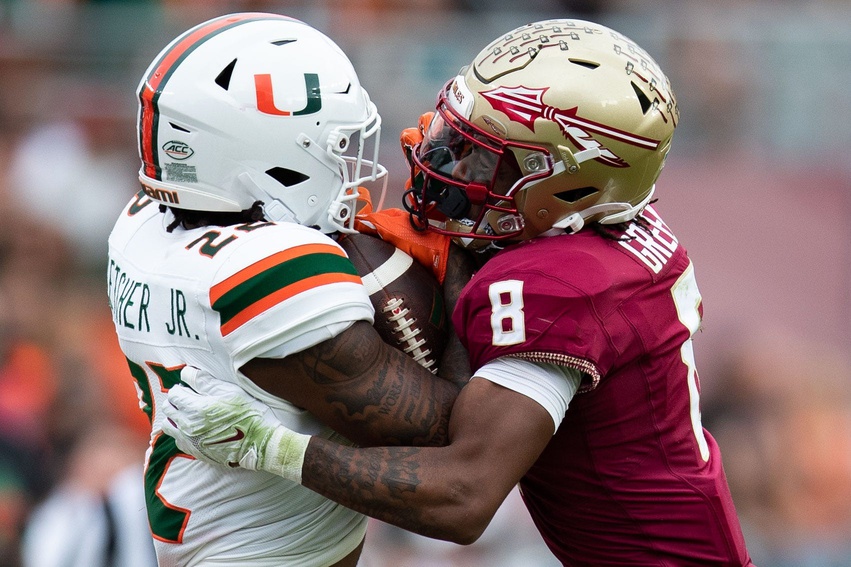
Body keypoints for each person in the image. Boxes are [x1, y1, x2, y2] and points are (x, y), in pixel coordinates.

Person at [162, 18, 757, 566]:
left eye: (486, 157)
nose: (446, 160)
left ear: (570, 190)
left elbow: (463, 498)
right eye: (458, 132)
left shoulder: (562, 286)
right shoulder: (606, 221)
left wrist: (270, 448)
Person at [107, 12, 473, 567]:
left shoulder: (140, 225)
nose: (349, 166)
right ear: (268, 157)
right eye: (335, 147)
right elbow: (455, 443)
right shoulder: (273, 275)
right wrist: (465, 271)